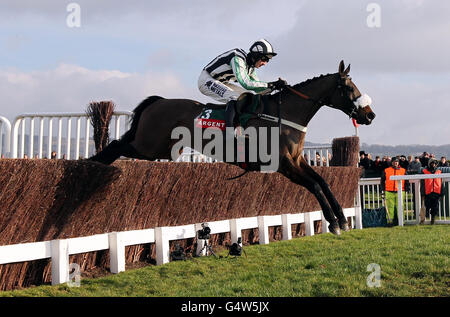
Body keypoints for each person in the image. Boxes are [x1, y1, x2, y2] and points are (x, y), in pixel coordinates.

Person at [198, 39, 287, 137]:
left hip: (221, 81)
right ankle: (230, 133)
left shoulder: (250, 67)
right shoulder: (238, 58)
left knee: (249, 97)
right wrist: (271, 84)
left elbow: (257, 88)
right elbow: (246, 83)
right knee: (236, 97)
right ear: (255, 55)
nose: (265, 63)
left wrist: (275, 87)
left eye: (268, 60)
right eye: (264, 59)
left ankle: (241, 126)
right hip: (206, 79)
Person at [380, 157, 408, 226]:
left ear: (398, 163)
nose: (395, 163)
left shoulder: (403, 170)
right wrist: (383, 189)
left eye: (397, 162)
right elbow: (382, 181)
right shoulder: (386, 170)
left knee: (400, 207)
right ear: (391, 162)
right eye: (394, 162)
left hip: (400, 191)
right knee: (390, 207)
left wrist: (407, 188)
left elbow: (407, 181)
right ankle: (390, 221)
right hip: (389, 191)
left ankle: (402, 222)